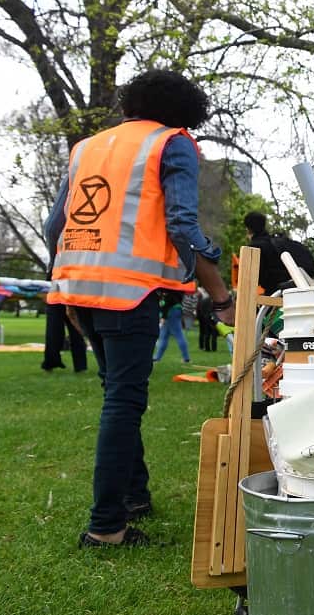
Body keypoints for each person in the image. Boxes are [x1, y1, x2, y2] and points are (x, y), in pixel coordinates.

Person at [46, 68, 237, 549]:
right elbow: (182, 225)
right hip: (128, 292)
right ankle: (107, 525)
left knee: (114, 391)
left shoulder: (88, 147)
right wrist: (220, 297)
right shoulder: (172, 143)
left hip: (78, 288)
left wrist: (69, 278)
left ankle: (134, 495)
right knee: (123, 402)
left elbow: (55, 226)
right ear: (185, 114)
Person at [243, 211, 314, 295]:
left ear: (248, 229)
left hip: (276, 293)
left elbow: (254, 279)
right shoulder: (280, 241)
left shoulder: (254, 248)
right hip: (299, 288)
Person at [41, 299, 88, 373]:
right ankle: (50, 363)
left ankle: (80, 366)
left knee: (76, 333)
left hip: (70, 299)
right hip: (59, 299)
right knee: (54, 332)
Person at [151, 289, 190, 363]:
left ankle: (186, 358)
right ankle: (157, 357)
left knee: (178, 334)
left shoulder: (169, 289)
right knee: (164, 335)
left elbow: (168, 301)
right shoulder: (178, 287)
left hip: (171, 311)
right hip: (175, 310)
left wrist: (164, 316)